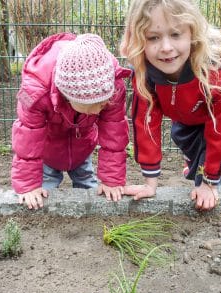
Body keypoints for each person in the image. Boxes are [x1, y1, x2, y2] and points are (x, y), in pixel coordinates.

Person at [121, 0, 221, 211]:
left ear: (192, 33)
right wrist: (150, 183)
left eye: (176, 35)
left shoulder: (218, 73)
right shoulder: (144, 71)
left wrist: (208, 182)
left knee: (211, 147)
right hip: (185, 107)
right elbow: (145, 123)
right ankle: (196, 166)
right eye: (153, 37)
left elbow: (220, 132)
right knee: (182, 136)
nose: (166, 48)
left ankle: (212, 179)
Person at [11, 32, 131, 209]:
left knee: (87, 184)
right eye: (91, 106)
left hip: (83, 145)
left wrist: (112, 180)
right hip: (48, 150)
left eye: (102, 104)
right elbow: (28, 138)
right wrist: (29, 186)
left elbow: (114, 133)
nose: (98, 110)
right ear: (66, 96)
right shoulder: (35, 92)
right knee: (42, 194)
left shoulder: (111, 85)